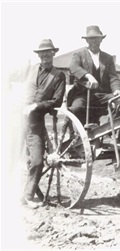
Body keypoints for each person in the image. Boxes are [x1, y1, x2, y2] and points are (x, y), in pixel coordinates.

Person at [23, 39, 66, 209]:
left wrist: (37, 106)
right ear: (39, 55)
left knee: (37, 161)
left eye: (48, 54)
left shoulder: (58, 76)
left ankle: (27, 195)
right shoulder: (32, 70)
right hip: (16, 119)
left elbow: (57, 101)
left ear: (53, 54)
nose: (45, 57)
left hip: (34, 122)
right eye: (42, 54)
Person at [68, 25, 120, 125]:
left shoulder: (108, 58)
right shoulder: (79, 54)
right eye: (91, 39)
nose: (94, 41)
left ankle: (108, 131)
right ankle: (81, 133)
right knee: (76, 108)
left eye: (97, 38)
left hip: (102, 95)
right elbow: (73, 67)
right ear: (86, 40)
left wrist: (117, 90)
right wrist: (88, 76)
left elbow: (113, 77)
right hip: (83, 94)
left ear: (101, 40)